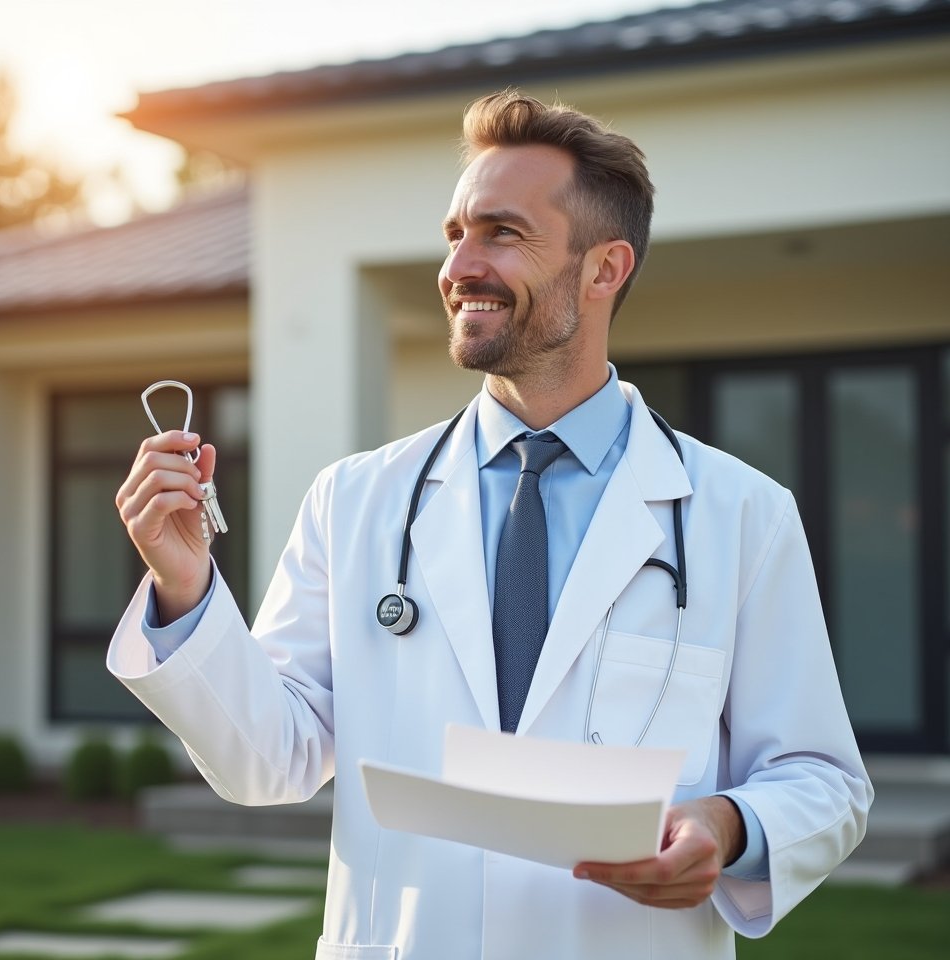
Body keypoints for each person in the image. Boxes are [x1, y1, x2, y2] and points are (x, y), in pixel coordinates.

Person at [110, 90, 872, 960]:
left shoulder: (743, 514)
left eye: (502, 233)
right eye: (454, 234)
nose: (458, 266)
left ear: (605, 268)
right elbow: (266, 759)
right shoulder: (356, 500)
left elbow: (824, 780)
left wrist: (729, 825)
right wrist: (185, 585)